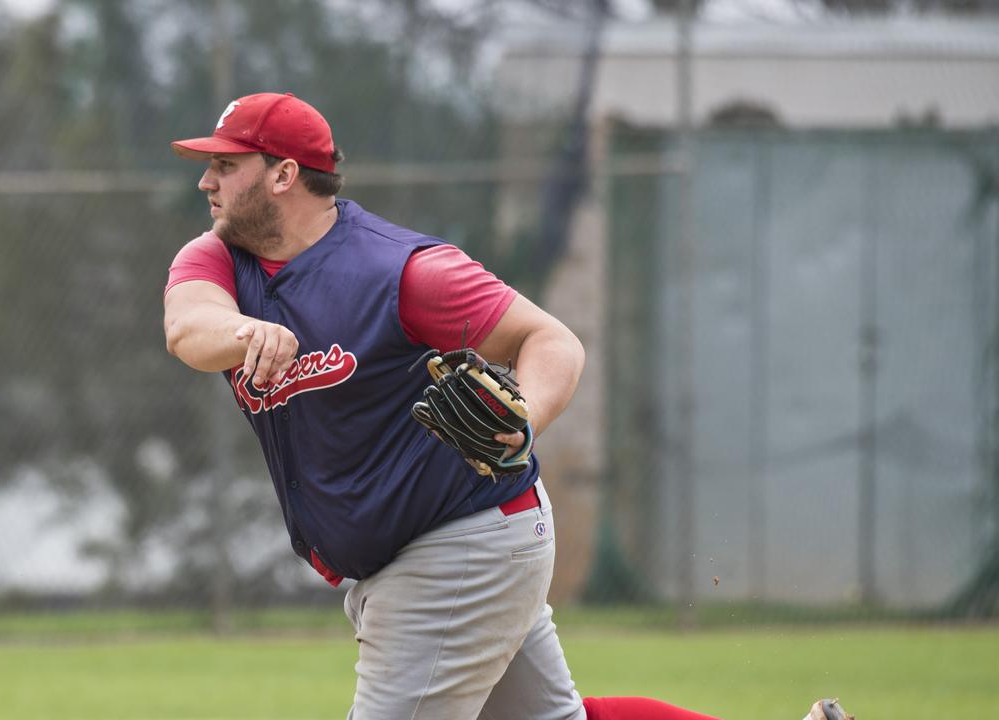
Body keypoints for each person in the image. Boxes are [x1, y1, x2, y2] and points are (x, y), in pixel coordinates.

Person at [162, 92, 851, 720]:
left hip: (457, 543)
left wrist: (523, 415)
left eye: (226, 164)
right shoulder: (219, 258)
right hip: (437, 546)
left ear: (283, 175)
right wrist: (245, 332)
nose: (207, 180)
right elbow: (188, 329)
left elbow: (551, 340)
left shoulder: (400, 271)